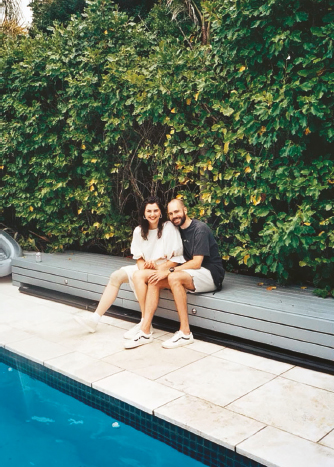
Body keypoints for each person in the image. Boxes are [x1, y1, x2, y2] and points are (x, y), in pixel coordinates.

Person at [74, 196, 184, 338]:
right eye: (149, 211)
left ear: (161, 212)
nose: (152, 214)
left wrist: (157, 266)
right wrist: (144, 267)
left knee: (139, 276)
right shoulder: (139, 231)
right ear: (144, 213)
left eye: (156, 210)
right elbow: (139, 259)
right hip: (145, 268)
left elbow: (175, 260)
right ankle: (94, 319)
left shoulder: (168, 228)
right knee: (116, 276)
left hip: (164, 269)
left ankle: (145, 322)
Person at [124, 198, 225, 349]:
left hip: (210, 273)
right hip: (190, 272)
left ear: (185, 210)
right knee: (153, 279)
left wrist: (169, 270)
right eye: (171, 213)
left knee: (174, 277)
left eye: (177, 211)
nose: (174, 216)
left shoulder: (199, 229)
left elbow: (197, 263)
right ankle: (145, 331)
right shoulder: (176, 229)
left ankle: (185, 333)